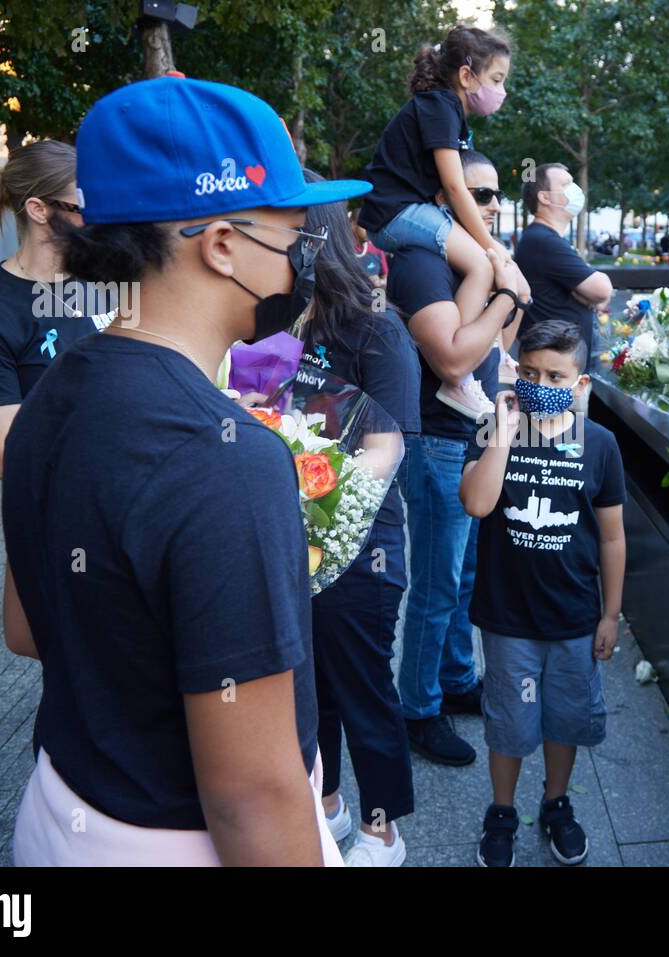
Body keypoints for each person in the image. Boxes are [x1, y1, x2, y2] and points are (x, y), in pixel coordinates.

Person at [2, 74, 372, 866]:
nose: (306, 256)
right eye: (295, 234)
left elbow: (25, 628)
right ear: (222, 243)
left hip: (61, 810)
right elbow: (252, 795)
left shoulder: (50, 393)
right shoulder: (225, 459)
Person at [459, 320, 625, 867]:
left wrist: (611, 613)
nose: (541, 383)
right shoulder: (490, 429)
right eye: (529, 372)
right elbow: (478, 504)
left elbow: (611, 535)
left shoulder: (599, 444)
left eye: (556, 375)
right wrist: (504, 434)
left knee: (565, 717)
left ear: (580, 386)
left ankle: (557, 803)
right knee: (508, 721)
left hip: (574, 616)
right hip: (508, 617)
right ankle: (501, 810)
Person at [291, 170, 421, 866]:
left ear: (318, 235)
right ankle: (329, 805)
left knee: (363, 685)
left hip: (360, 546)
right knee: (312, 687)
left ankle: (382, 831)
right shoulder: (279, 322)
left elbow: (387, 445)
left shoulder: (376, 330)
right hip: (294, 548)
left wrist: (316, 503)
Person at [390, 149, 531, 767]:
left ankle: (454, 679)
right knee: (436, 584)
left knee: (463, 577)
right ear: (445, 199)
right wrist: (506, 296)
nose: (493, 205)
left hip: (473, 434)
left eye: (498, 193)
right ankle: (417, 708)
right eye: (479, 193)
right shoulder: (421, 263)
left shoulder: (472, 261)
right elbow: (453, 360)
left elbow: (493, 352)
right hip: (436, 440)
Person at [359, 25, 513, 420]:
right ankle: (458, 377)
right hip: (395, 213)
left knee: (480, 264)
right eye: (496, 79)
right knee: (481, 263)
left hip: (403, 211)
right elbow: (455, 186)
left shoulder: (445, 109)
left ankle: (489, 354)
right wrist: (489, 245)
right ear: (466, 75)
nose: (502, 91)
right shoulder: (441, 106)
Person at [0, 140, 114, 479]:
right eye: (85, 205)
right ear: (39, 210)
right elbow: (6, 456)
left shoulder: (106, 279)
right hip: (67, 513)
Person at [514, 163, 612, 377]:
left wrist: (587, 293)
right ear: (545, 198)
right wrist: (587, 293)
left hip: (562, 365)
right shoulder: (543, 241)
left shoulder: (546, 239)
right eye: (566, 184)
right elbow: (602, 290)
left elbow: (597, 294)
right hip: (555, 373)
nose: (576, 189)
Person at [348, 207, 388, 289]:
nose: (371, 230)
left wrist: (380, 282)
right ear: (353, 224)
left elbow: (385, 278)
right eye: (366, 226)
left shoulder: (377, 248)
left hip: (373, 300)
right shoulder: (341, 249)